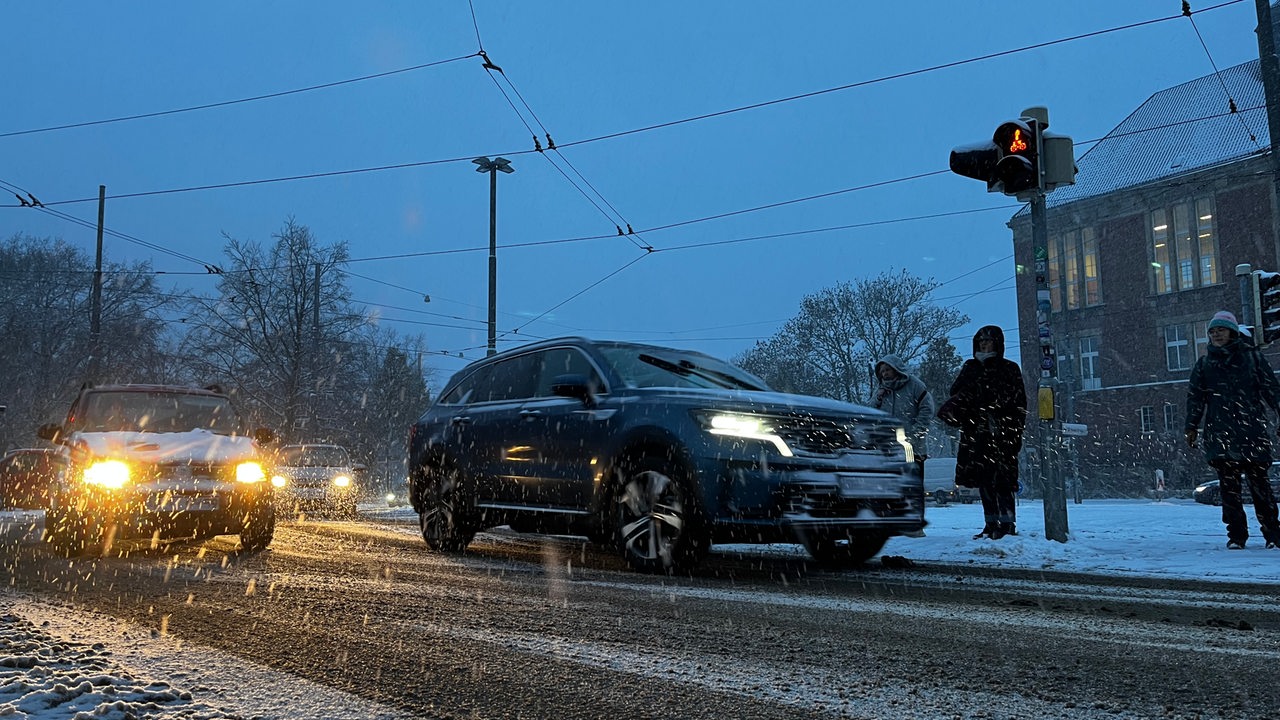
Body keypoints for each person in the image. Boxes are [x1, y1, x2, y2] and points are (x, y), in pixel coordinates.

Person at [1184, 310, 1280, 550]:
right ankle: (1237, 536)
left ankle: (1273, 534)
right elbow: (1195, 399)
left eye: (1221, 330)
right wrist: (1191, 426)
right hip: (1221, 435)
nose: (1216, 335)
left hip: (1251, 433)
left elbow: (1273, 392)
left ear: (1233, 333)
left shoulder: (1252, 358)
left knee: (1261, 488)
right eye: (1213, 331)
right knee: (1229, 490)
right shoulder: (1204, 364)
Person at [937, 325, 1027, 540]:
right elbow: (956, 392)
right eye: (980, 341)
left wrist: (1013, 430)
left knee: (1003, 480)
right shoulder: (971, 367)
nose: (984, 344)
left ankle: (1007, 525)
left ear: (997, 343)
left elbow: (1018, 402)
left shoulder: (1009, 368)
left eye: (988, 340)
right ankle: (990, 523)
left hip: (1002, 432)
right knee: (985, 479)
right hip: (977, 433)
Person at [871, 354, 935, 473]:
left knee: (912, 482)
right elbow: (869, 412)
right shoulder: (881, 390)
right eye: (882, 371)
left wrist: (915, 433)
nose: (885, 374)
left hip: (913, 447)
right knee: (891, 485)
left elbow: (927, 409)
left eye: (887, 370)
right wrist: (878, 398)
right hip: (888, 448)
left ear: (896, 368)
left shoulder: (915, 385)